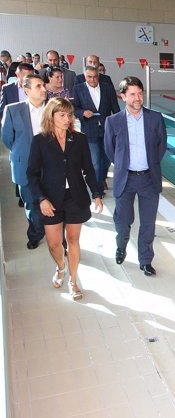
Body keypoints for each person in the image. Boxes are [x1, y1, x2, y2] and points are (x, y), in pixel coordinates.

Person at [27, 97, 103, 301]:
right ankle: (61, 267)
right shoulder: (40, 140)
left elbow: (88, 169)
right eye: (62, 115)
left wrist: (96, 194)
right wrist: (42, 199)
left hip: (75, 197)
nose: (67, 119)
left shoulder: (79, 139)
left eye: (69, 115)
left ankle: (73, 280)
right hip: (50, 198)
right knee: (54, 244)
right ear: (50, 116)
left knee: (73, 240)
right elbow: (32, 174)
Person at [104, 76, 167, 276]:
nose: (138, 98)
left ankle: (145, 260)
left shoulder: (155, 118)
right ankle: (121, 246)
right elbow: (109, 149)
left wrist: (150, 165)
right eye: (132, 94)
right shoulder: (113, 121)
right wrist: (123, 165)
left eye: (140, 93)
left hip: (149, 178)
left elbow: (161, 145)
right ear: (123, 96)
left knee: (148, 223)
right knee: (123, 221)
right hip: (126, 178)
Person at [1, 74, 48, 249]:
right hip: (24, 165)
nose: (44, 89)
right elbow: (7, 139)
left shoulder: (52, 109)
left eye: (44, 85)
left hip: (51, 166)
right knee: (31, 204)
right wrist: (23, 152)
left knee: (56, 201)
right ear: (26, 90)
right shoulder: (13, 110)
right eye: (38, 86)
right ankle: (36, 233)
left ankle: (60, 238)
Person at [72, 66, 120, 192]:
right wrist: (82, 112)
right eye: (89, 77)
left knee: (106, 160)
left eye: (95, 77)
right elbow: (73, 108)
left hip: (106, 129)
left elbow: (115, 108)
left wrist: (119, 127)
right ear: (85, 76)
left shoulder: (107, 88)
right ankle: (97, 189)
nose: (93, 80)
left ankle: (102, 179)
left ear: (98, 76)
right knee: (95, 162)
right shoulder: (78, 89)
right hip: (89, 129)